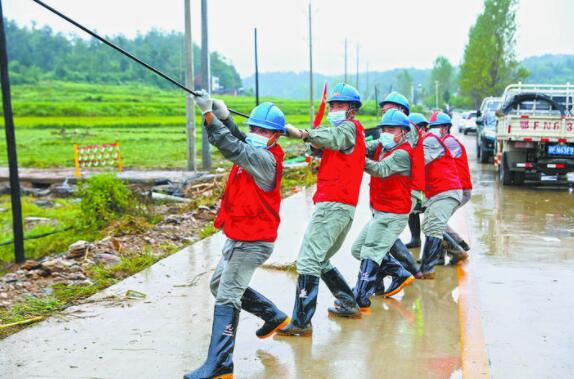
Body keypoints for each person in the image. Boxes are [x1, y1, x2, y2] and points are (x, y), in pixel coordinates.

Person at [184, 92, 290, 379]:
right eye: (254, 128)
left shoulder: (264, 160)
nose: (256, 134)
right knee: (219, 286)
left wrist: (208, 116)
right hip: (239, 235)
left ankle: (220, 364)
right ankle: (273, 315)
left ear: (276, 137)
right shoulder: (257, 150)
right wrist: (225, 116)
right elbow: (240, 139)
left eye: (263, 130)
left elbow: (234, 147)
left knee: (227, 295)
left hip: (253, 242)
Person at [277, 83, 366, 336]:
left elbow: (335, 138)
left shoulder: (348, 129)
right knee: (320, 258)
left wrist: (305, 134)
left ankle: (302, 322)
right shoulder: (349, 133)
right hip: (341, 207)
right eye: (333, 106)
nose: (335, 109)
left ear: (352, 110)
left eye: (340, 105)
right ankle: (348, 301)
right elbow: (326, 145)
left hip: (333, 205)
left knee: (307, 260)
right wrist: (309, 141)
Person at [349, 109, 416, 310]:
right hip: (380, 210)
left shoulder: (403, 153)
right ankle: (398, 272)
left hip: (394, 212)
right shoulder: (383, 145)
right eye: (384, 129)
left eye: (391, 129)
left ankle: (360, 297)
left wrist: (355, 158)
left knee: (370, 251)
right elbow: (361, 147)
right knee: (358, 250)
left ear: (403, 132)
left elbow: (380, 169)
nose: (386, 132)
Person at [419, 112, 463, 279]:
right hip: (437, 192)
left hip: (447, 190)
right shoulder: (427, 142)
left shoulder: (432, 141)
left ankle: (427, 268)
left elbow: (417, 162)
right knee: (429, 226)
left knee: (434, 226)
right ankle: (456, 251)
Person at [442, 124, 473, 262]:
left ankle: (458, 246)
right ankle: (439, 256)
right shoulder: (446, 141)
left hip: (460, 190)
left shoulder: (448, 142)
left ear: (444, 128)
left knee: (436, 222)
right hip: (456, 189)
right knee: (437, 221)